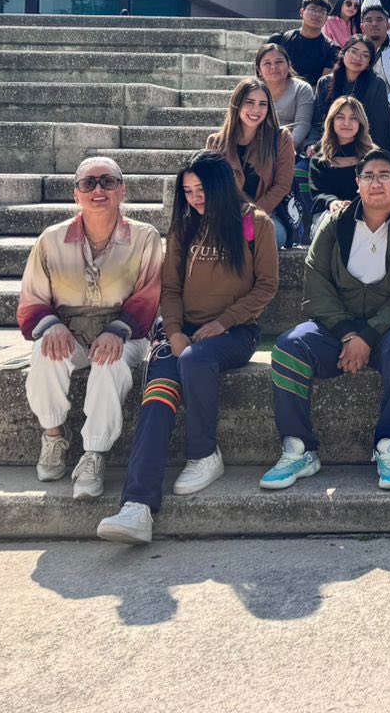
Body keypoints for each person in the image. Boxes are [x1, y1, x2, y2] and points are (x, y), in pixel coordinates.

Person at [98, 152, 277, 544]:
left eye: (202, 189)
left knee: (196, 360)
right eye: (189, 191)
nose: (195, 198)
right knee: (157, 397)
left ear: (221, 186)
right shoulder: (184, 226)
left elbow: (266, 286)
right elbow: (171, 288)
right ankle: (137, 506)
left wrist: (223, 322)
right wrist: (175, 332)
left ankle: (204, 455)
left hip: (236, 332)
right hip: (181, 330)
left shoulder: (255, 223)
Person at [260, 149, 390, 492]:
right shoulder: (335, 223)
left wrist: (367, 336)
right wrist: (346, 333)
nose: (376, 183)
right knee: (288, 347)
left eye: (385, 175)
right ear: (357, 183)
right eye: (368, 176)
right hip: (338, 328)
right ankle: (299, 448)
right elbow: (316, 282)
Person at [17, 157, 161, 500]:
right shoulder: (51, 239)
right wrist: (51, 326)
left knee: (109, 364)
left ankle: (93, 454)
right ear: (76, 194)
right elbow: (32, 297)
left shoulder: (145, 237)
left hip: (126, 331)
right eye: (89, 183)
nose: (99, 189)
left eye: (108, 182)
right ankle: (54, 436)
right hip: (68, 329)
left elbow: (149, 294)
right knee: (45, 356)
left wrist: (117, 330)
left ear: (122, 190)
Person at [208, 79, 298, 246]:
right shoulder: (216, 142)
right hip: (227, 214)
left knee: (267, 236)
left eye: (263, 104)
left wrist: (252, 214)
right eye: (249, 102)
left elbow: (282, 185)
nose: (256, 110)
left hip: (267, 213)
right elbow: (213, 187)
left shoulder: (281, 138)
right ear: (237, 104)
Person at [310, 34, 390, 157]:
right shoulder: (325, 82)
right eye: (353, 52)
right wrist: (311, 145)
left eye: (365, 55)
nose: (358, 58)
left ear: (369, 62)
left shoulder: (376, 84)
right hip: (328, 146)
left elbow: (380, 127)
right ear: (343, 53)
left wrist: (380, 157)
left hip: (362, 149)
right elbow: (317, 121)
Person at [308, 96, 377, 221]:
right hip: (330, 216)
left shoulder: (374, 157)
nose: (346, 123)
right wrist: (333, 202)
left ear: (361, 122)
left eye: (353, 118)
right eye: (340, 117)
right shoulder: (319, 160)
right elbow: (318, 194)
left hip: (369, 215)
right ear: (332, 121)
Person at [255, 44, 315, 155]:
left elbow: (303, 124)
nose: (274, 67)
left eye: (279, 62)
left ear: (289, 65)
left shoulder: (301, 88)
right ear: (259, 70)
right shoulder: (252, 91)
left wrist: (284, 149)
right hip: (257, 148)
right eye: (267, 63)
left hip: (292, 149)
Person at [267, 0, 339, 86]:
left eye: (322, 11)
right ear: (302, 12)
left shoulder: (332, 49)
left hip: (311, 93)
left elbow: (323, 85)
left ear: (326, 18)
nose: (317, 14)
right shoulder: (279, 40)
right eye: (313, 9)